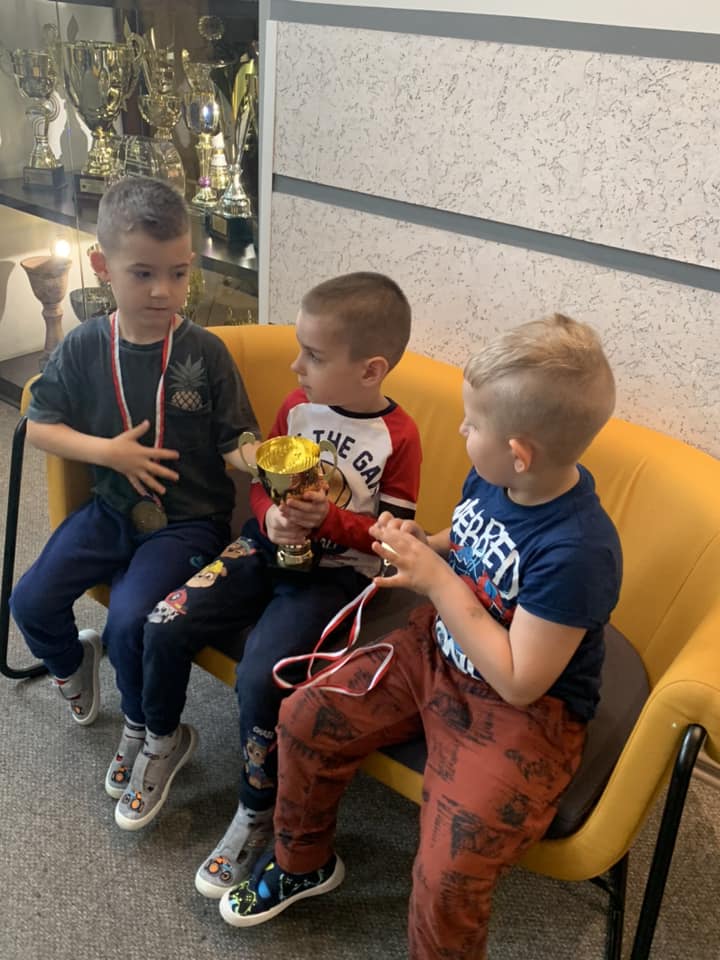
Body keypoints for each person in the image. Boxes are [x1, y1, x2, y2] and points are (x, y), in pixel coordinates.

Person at [219, 313, 623, 960]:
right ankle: (303, 863)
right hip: (435, 649)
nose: (460, 430)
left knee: (451, 866)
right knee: (305, 715)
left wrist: (435, 580)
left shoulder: (580, 550)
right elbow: (465, 538)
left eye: (471, 424)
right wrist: (421, 543)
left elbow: (520, 680)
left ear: (520, 452)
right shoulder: (496, 477)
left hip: (523, 713)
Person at [125, 272, 423, 889]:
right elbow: (262, 485)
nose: (296, 366)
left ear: (370, 370)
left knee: (263, 675)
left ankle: (257, 808)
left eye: (313, 355)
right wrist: (270, 517)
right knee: (164, 621)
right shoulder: (295, 407)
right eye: (298, 349)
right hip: (260, 547)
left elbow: (391, 539)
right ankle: (162, 738)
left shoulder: (400, 437)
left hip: (334, 578)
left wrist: (326, 521)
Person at [10, 176, 258, 807]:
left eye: (177, 274)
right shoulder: (84, 345)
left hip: (188, 522)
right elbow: (38, 426)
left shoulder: (207, 351)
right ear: (102, 266)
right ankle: (73, 665)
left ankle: (155, 732)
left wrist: (267, 463)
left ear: (191, 264)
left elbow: (236, 442)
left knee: (130, 622)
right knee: (30, 600)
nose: (162, 292)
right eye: (142, 273)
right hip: (113, 509)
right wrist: (109, 454)